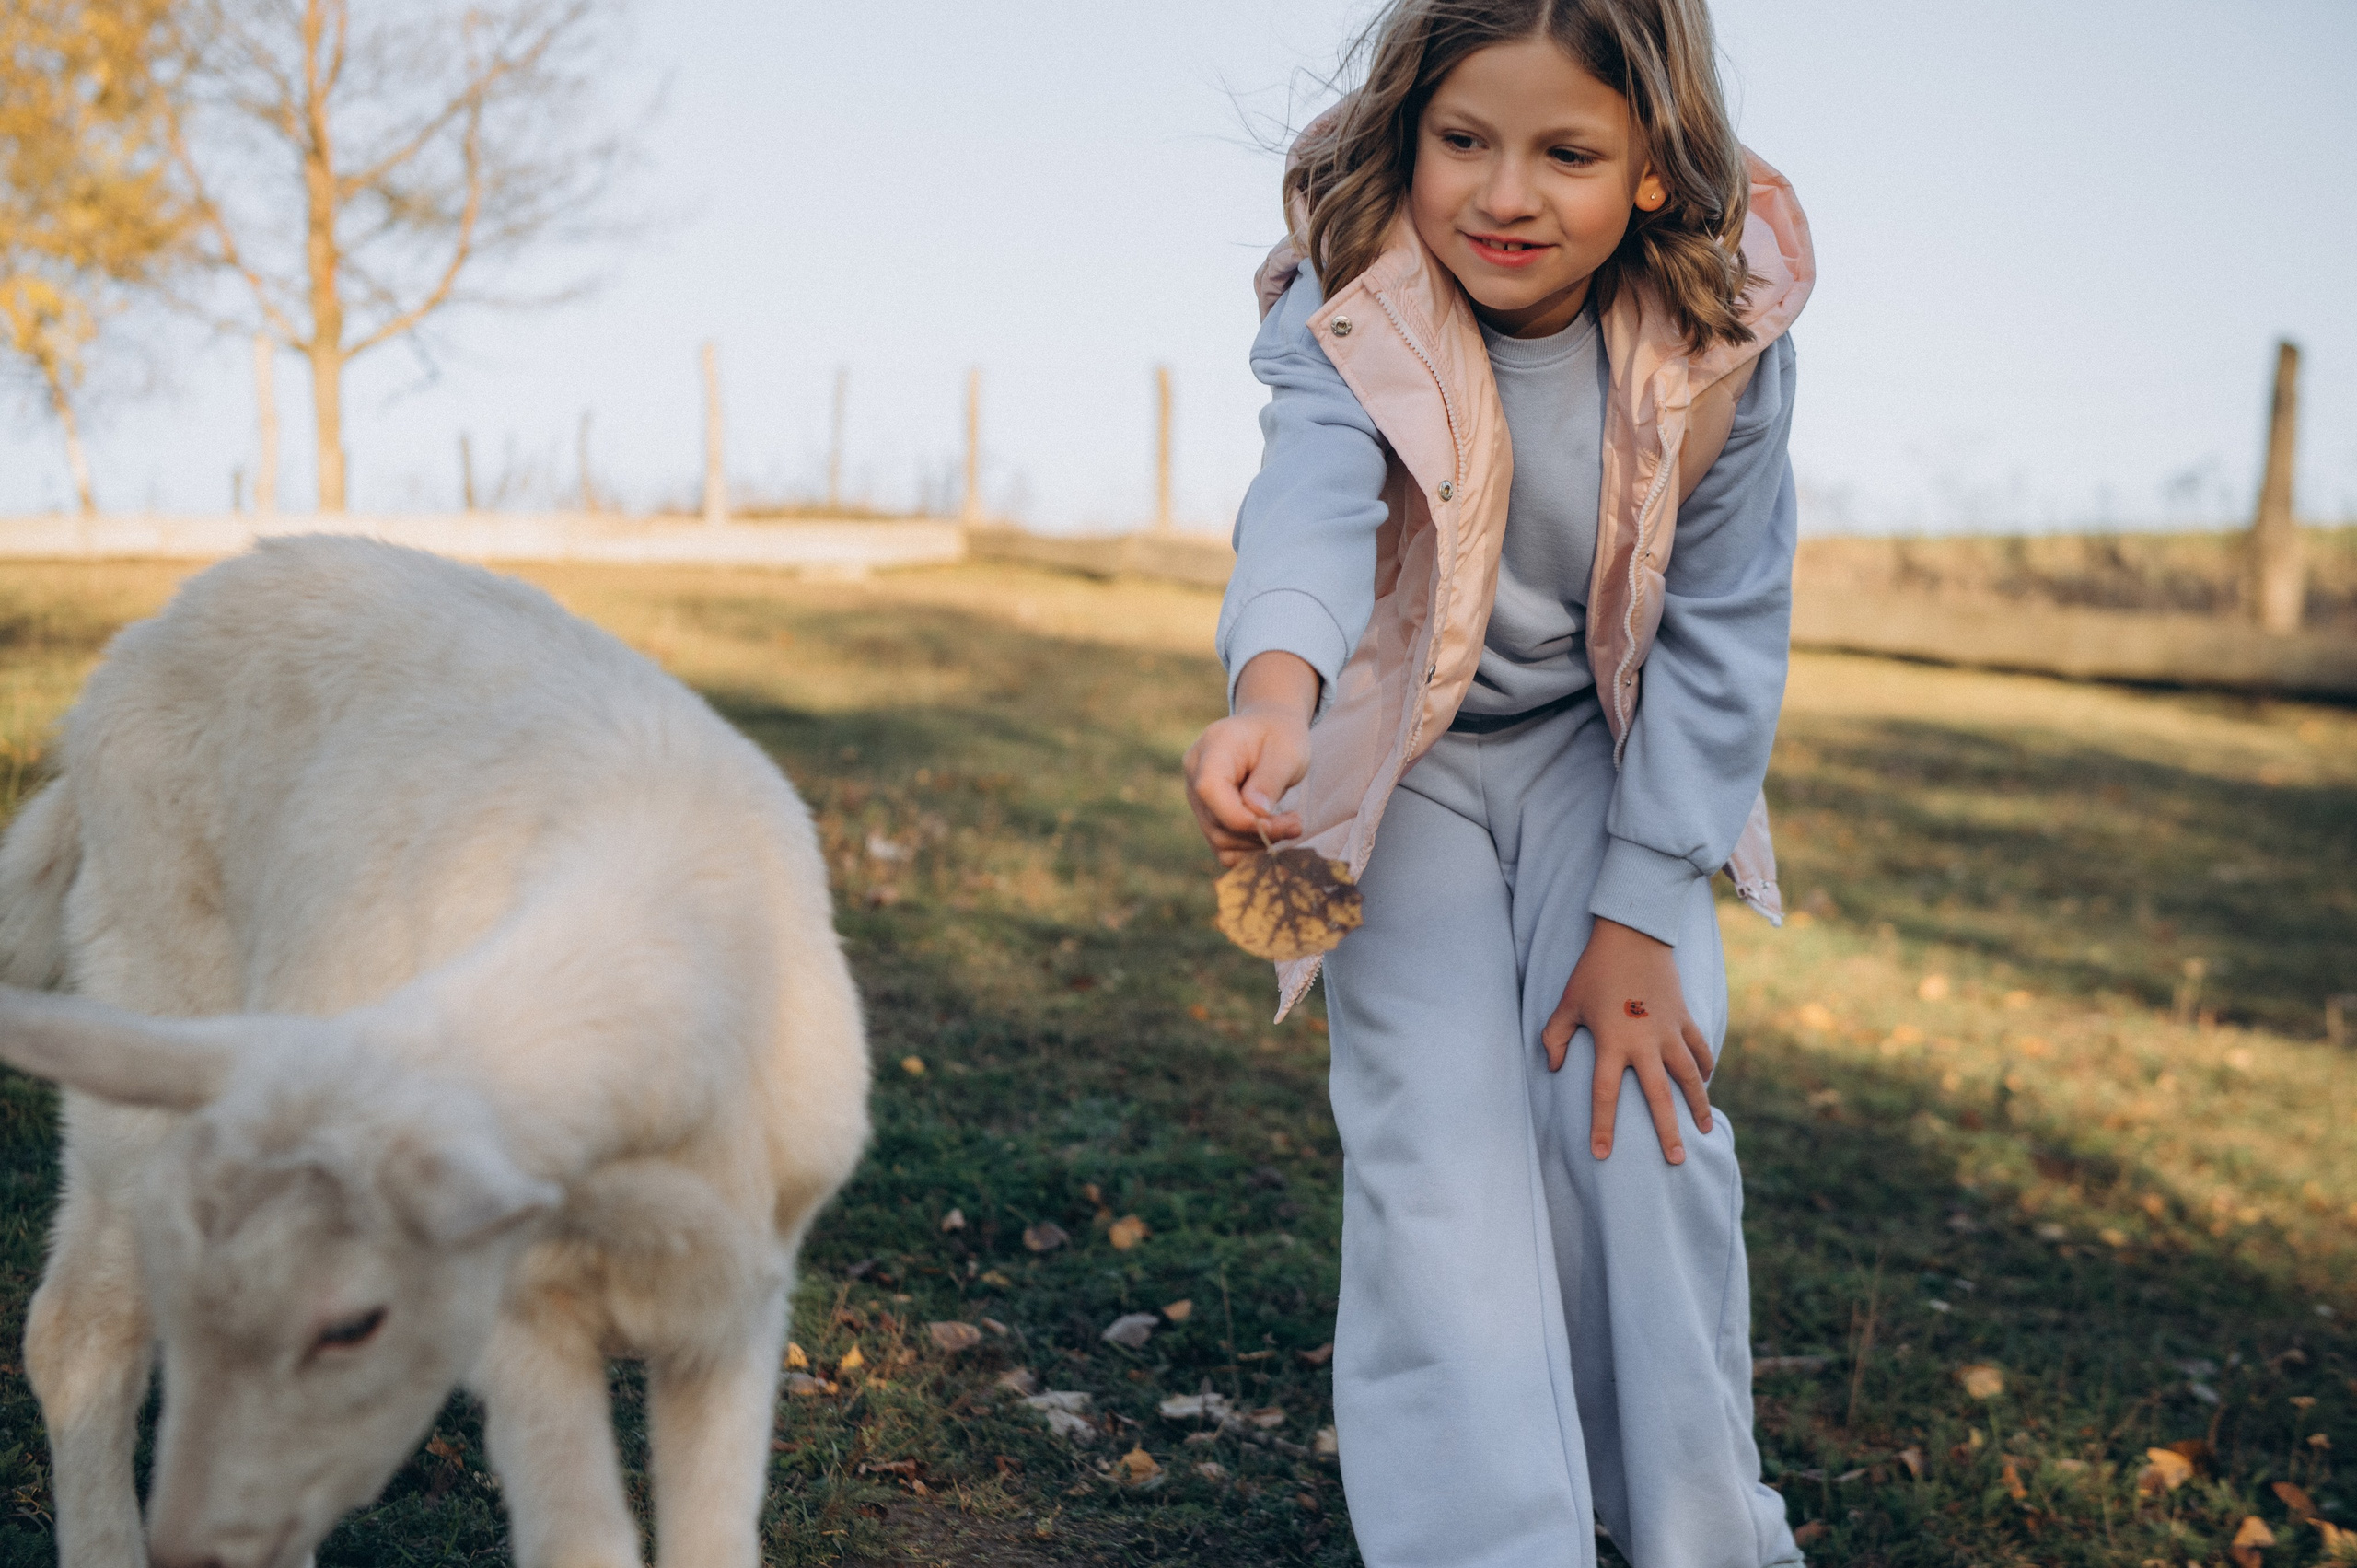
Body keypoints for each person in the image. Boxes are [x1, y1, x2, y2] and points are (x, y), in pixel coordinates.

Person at [1180, 1, 1816, 1563]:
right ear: (1410, 134)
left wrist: (1642, 911)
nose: (1506, 195)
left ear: (1653, 166)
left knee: (1638, 1123)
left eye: (1567, 154)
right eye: (1464, 140)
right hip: (1396, 773)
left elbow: (1727, 627)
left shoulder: (1725, 336)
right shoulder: (1356, 299)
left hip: (1614, 764)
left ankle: (1694, 1534)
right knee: (1438, 1165)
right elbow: (1310, 503)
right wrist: (1273, 695)